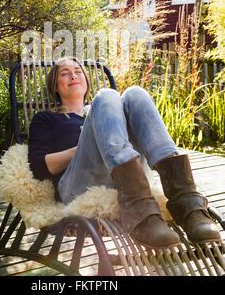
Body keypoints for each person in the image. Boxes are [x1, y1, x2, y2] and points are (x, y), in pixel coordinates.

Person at [28, 56, 221, 249]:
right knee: (107, 95)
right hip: (78, 187)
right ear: (55, 86)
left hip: (130, 180)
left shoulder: (108, 112)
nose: (73, 75)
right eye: (65, 73)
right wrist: (82, 146)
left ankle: (187, 203)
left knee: (134, 93)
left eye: (78, 71)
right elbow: (38, 167)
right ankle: (142, 213)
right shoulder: (47, 118)